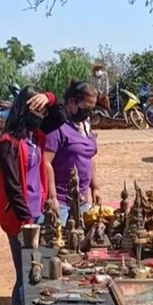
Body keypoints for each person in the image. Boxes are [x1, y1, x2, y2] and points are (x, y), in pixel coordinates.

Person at [0, 86, 50, 305]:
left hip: (37, 213)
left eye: (43, 109)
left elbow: (60, 115)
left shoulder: (34, 136)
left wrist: (48, 97)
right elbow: (13, 186)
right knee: (24, 273)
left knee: (35, 270)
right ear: (23, 109)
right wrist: (26, 220)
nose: (42, 114)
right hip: (19, 218)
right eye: (37, 109)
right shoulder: (8, 144)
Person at [27, 81, 99, 224]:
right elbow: (46, 162)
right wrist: (52, 197)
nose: (89, 111)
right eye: (86, 107)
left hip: (82, 200)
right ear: (72, 103)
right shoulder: (58, 127)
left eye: (92, 107)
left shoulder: (85, 125)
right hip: (62, 202)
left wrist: (95, 187)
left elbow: (89, 158)